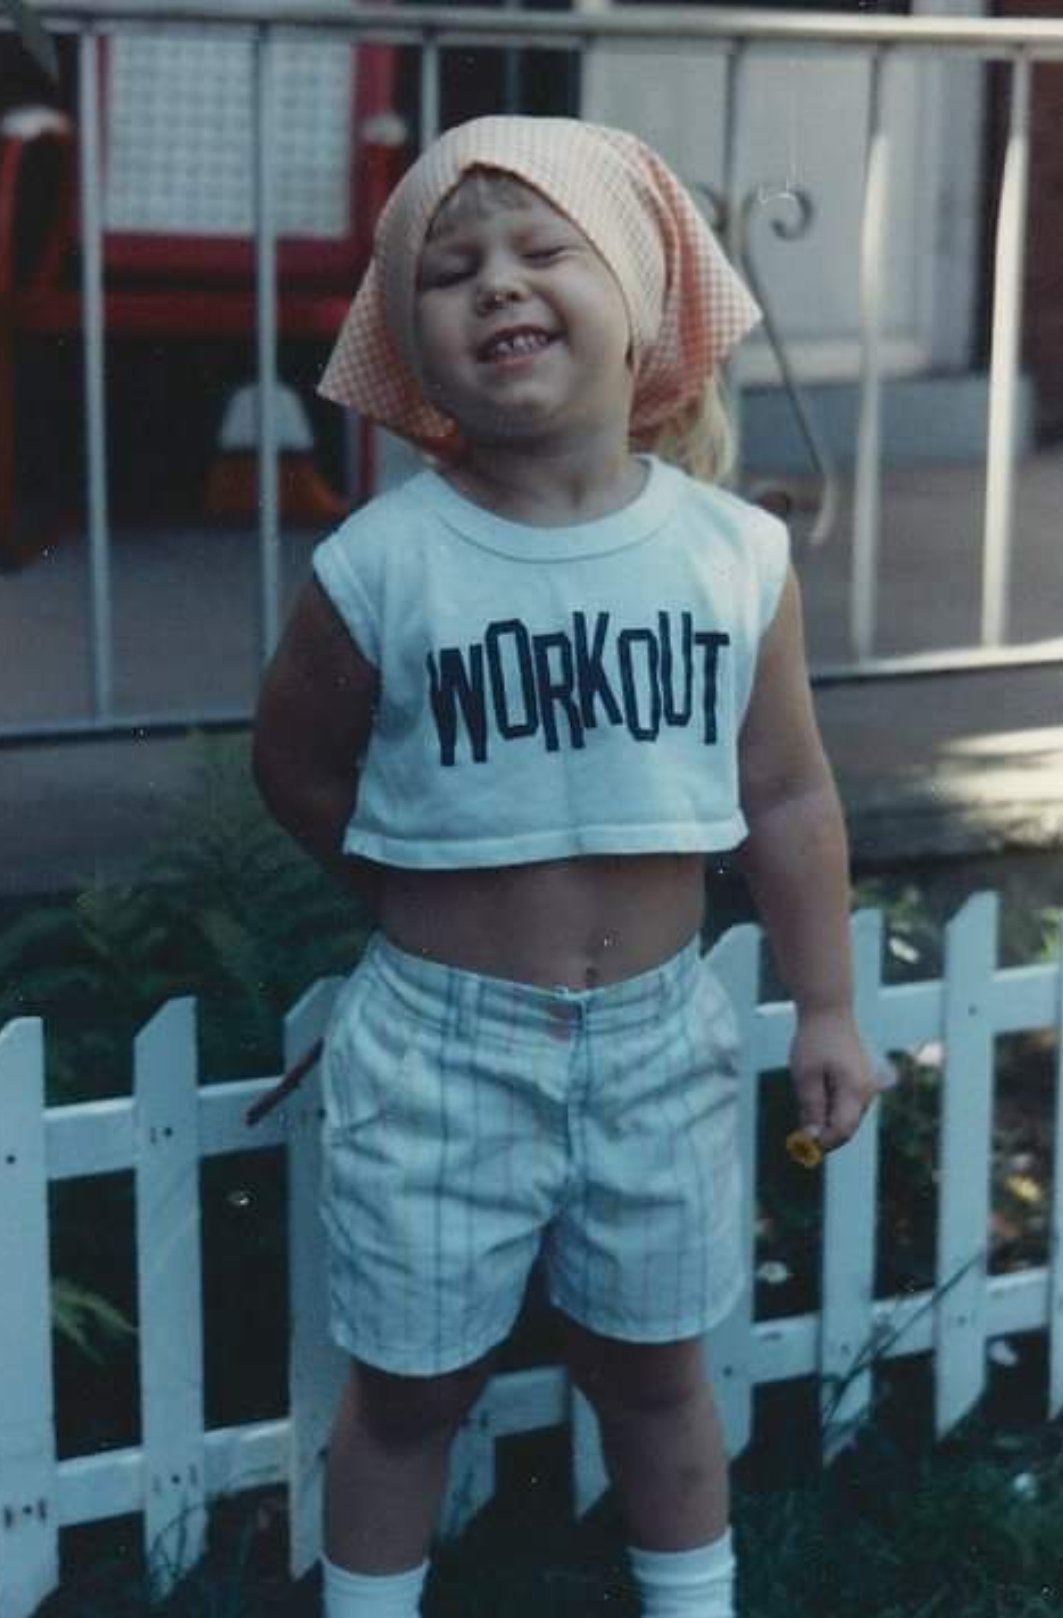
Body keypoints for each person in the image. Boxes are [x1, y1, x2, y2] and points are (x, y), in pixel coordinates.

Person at [252, 115, 878, 1618]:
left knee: (658, 1375)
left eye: (545, 251)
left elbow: (788, 795)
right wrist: (417, 884)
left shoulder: (731, 556)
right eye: (449, 269)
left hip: (659, 1042)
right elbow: (297, 765)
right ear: (412, 342)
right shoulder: (384, 563)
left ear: (643, 299)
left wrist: (827, 1005)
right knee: (409, 1390)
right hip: (441, 1050)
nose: (497, 285)